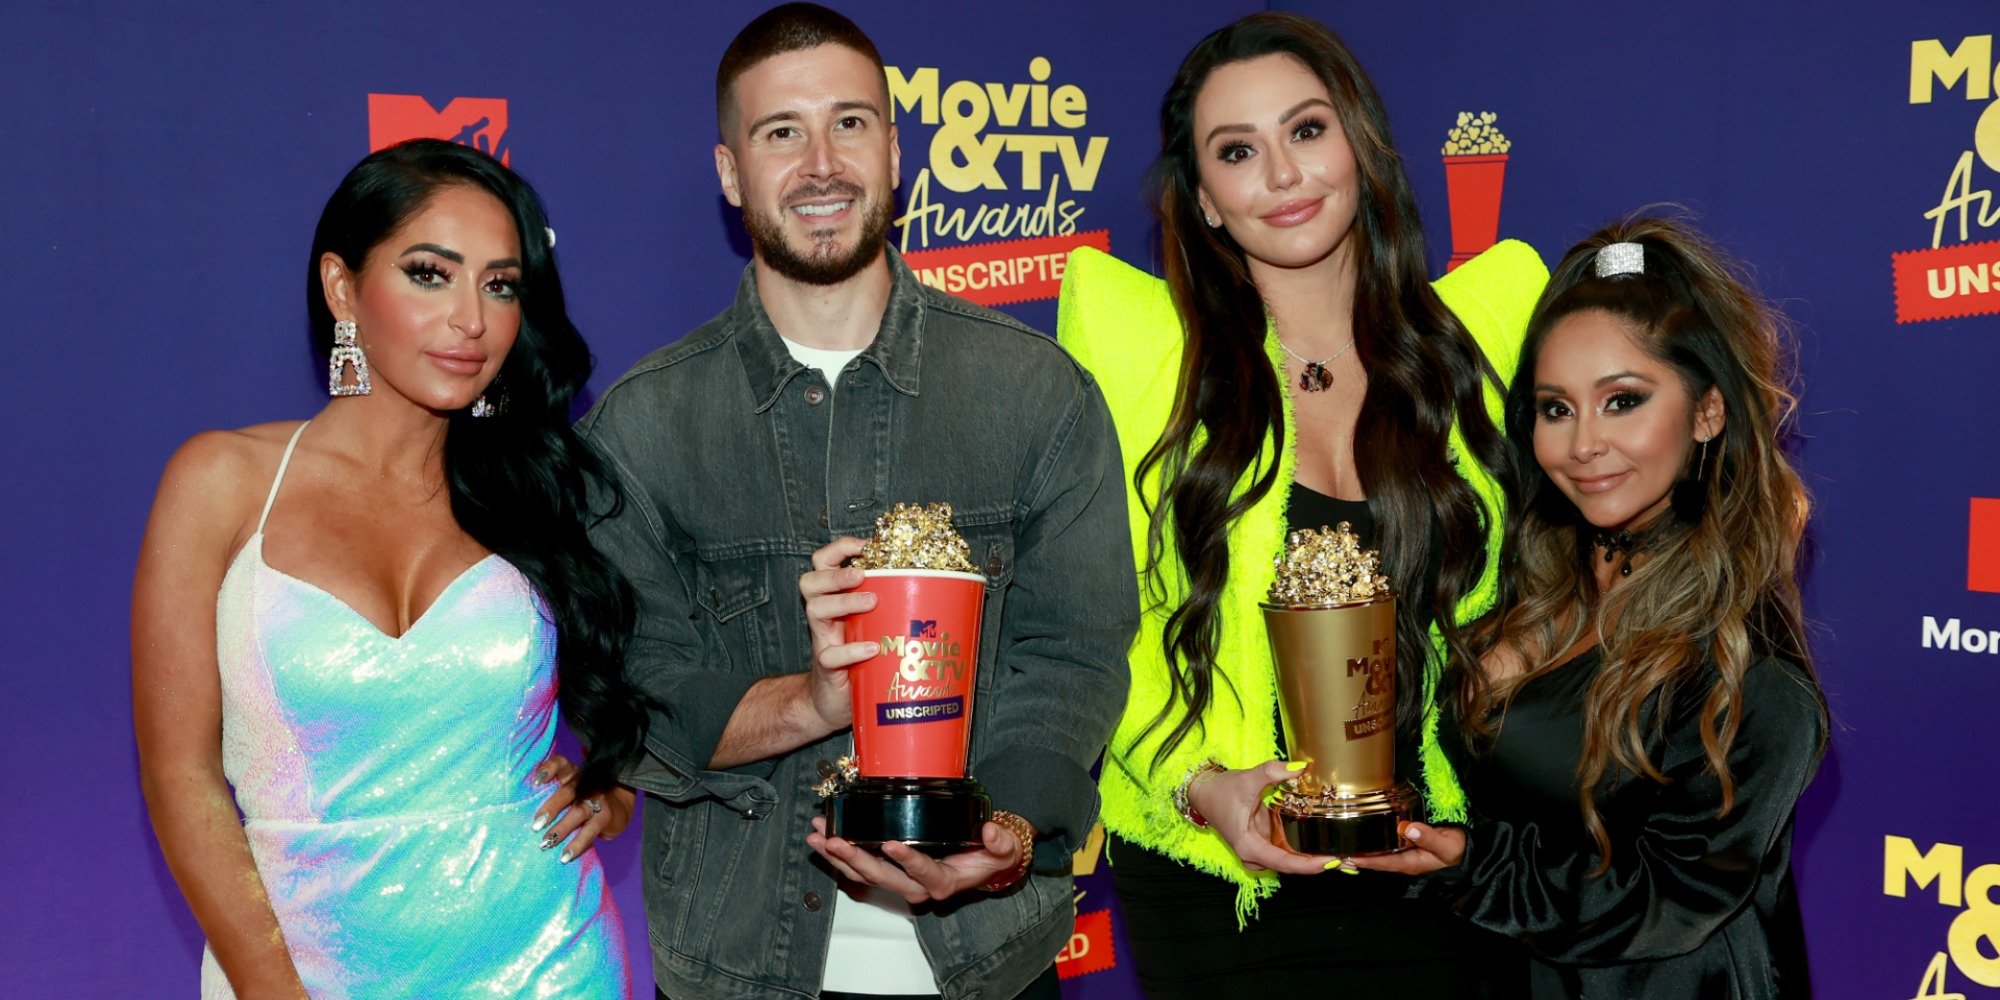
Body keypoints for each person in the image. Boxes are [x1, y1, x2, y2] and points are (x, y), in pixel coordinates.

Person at [575, 5, 1135, 999]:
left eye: (849, 123)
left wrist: (1004, 831)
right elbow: (644, 694)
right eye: (779, 131)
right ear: (728, 172)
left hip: (987, 962)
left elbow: (1070, 656)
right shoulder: (640, 428)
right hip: (737, 969)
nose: (821, 163)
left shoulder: (1035, 394)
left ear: (894, 150)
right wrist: (819, 698)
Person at [1055, 11, 1546, 997]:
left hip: (1443, 879)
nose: (1280, 174)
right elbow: (1086, 625)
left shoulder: (1487, 339)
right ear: (1202, 200)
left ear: (1361, 145)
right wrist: (1199, 791)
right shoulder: (1139, 361)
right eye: (1237, 151)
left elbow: (1583, 575)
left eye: (1306, 130)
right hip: (1227, 891)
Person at [133, 139, 644, 998]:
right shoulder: (223, 483)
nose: (471, 320)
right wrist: (269, 986)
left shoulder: (535, 495)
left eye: (500, 284)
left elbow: (645, 678)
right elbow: (180, 774)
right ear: (342, 288)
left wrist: (612, 787)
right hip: (301, 971)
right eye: (429, 274)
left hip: (549, 960)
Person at [1350, 216, 1828, 999]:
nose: (1582, 444)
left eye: (1624, 401)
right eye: (1556, 408)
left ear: (1708, 412)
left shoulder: (1751, 672)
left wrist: (1473, 866)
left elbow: (1662, 900)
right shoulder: (1533, 589)